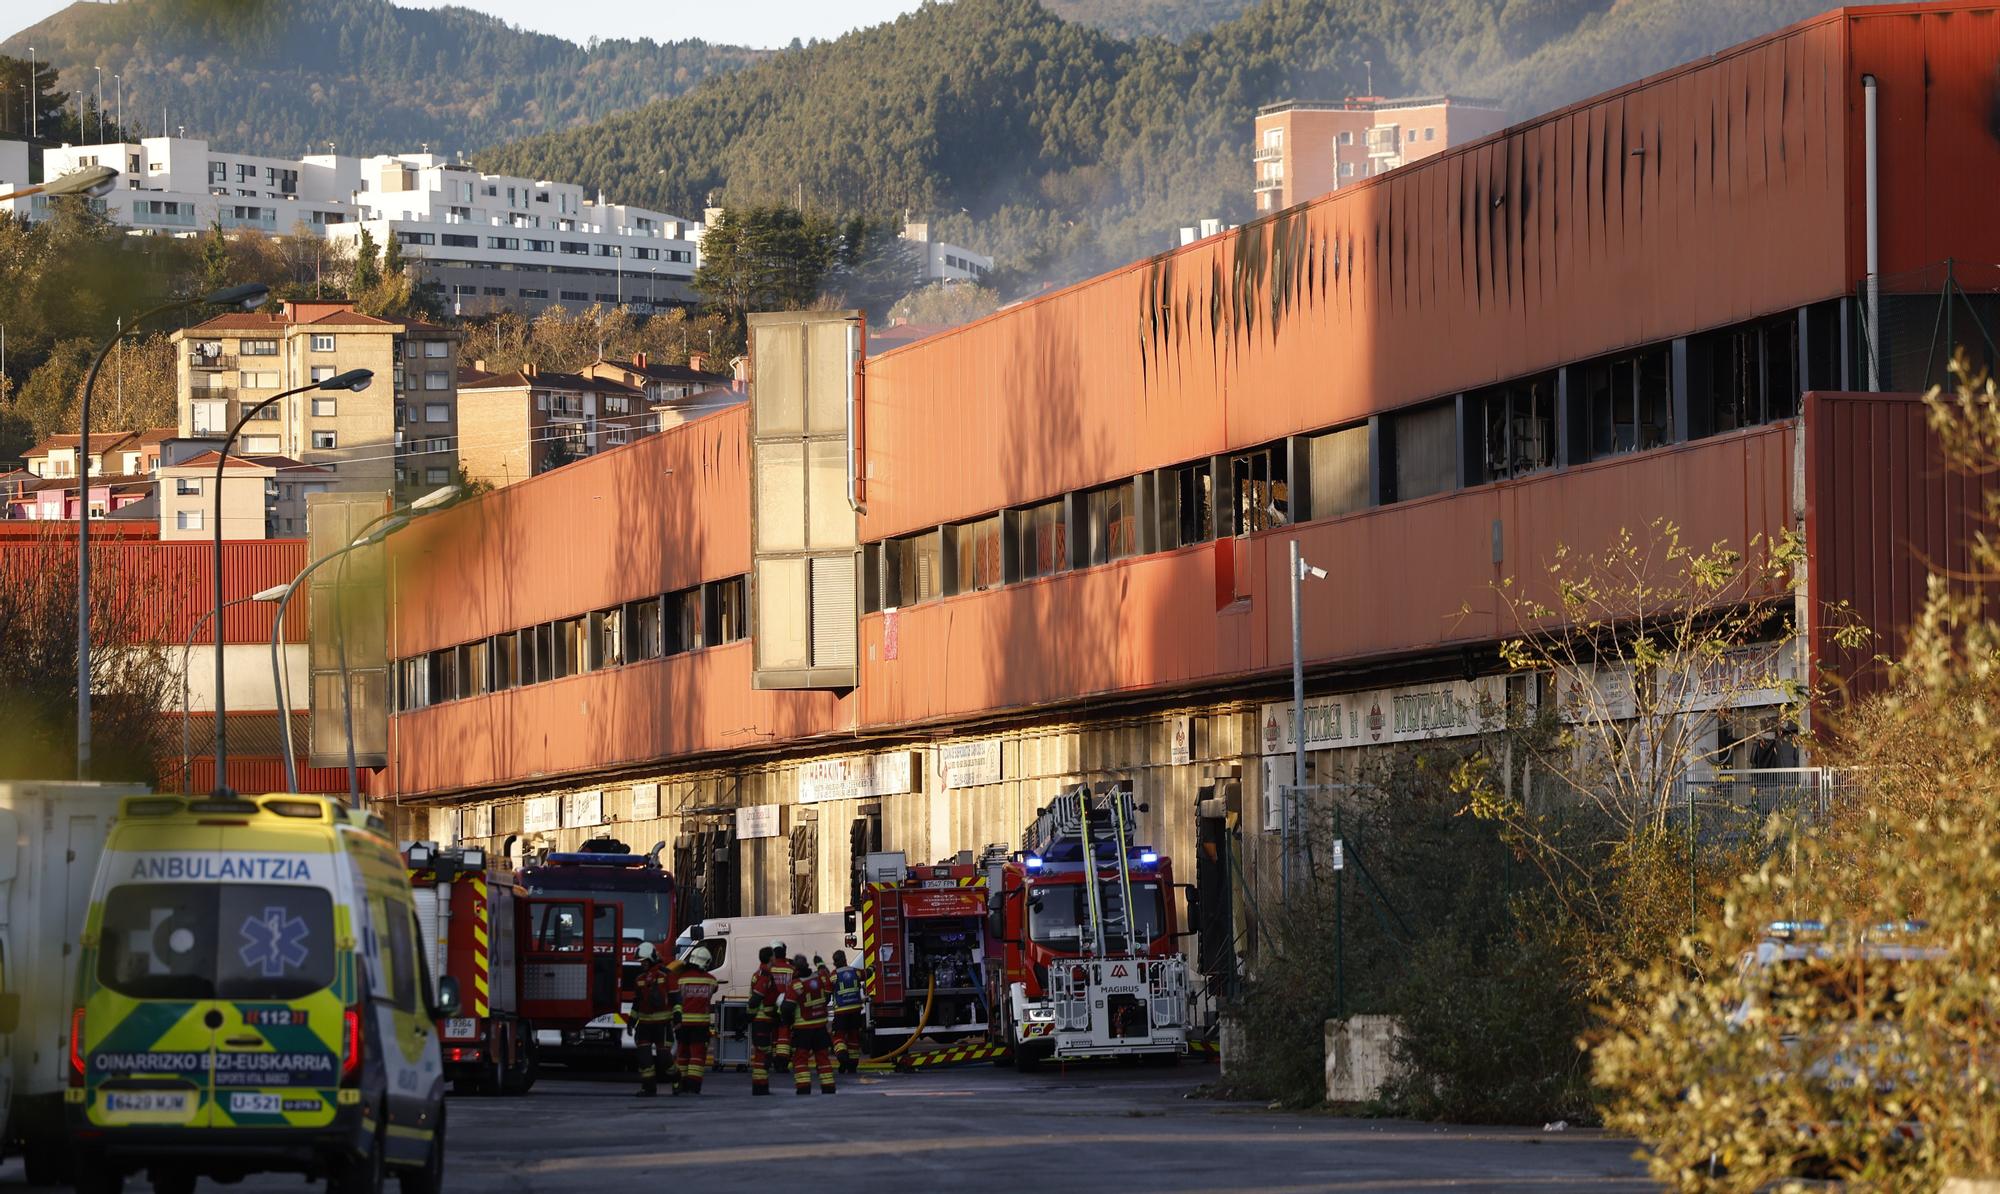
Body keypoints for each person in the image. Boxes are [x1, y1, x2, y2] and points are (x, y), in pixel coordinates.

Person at [671, 945, 720, 1095]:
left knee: (682, 1055)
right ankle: (693, 1086)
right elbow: (715, 988)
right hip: (701, 1025)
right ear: (706, 962)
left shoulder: (680, 979)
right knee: (697, 1057)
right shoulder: (711, 981)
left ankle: (680, 1084)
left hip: (682, 1024)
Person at [784, 953, 836, 1095]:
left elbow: (787, 1008)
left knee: (800, 1060)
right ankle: (828, 1087)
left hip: (803, 1029)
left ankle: (803, 1087)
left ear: (796, 968)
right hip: (820, 1027)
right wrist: (819, 962)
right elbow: (827, 990)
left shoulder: (796, 984)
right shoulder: (818, 979)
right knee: (823, 1058)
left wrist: (788, 1022)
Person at [630, 941, 676, 1097]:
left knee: (664, 1059)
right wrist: (631, 1021)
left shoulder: (666, 975)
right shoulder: (639, 979)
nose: (641, 964)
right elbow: (637, 1003)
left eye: (643, 961)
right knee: (644, 1058)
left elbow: (675, 997)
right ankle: (649, 1088)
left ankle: (677, 1079)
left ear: (651, 958)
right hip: (644, 1025)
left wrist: (677, 1016)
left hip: (662, 1025)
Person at [745, 945, 781, 1095]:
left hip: (762, 1020)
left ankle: (762, 1085)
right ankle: (760, 1086)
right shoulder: (764, 976)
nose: (775, 958)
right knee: (762, 1054)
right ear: (770, 958)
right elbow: (756, 999)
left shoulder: (760, 973)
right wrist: (750, 1016)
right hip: (762, 1021)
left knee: (764, 1053)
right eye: (773, 956)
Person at [828, 949, 870, 1073]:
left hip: (841, 1012)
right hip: (856, 1011)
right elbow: (867, 973)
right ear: (845, 959)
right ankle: (852, 1066)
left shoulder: (834, 976)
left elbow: (826, 992)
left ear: (835, 962)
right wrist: (873, 966)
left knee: (838, 1036)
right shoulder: (855, 972)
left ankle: (842, 1056)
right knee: (853, 1038)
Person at [766, 942, 797, 1071]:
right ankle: (782, 1060)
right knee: (784, 1033)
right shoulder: (791, 969)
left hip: (771, 1005)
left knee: (773, 1033)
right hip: (787, 1005)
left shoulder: (769, 969)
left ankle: (773, 1058)